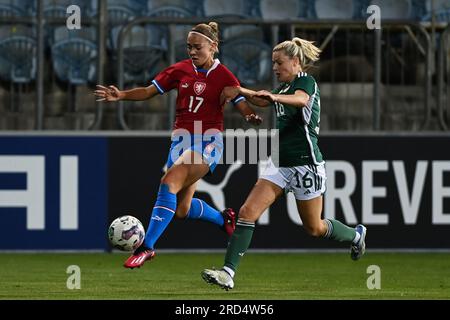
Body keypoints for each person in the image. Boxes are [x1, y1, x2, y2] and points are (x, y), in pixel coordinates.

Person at [201, 37, 367, 290]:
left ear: (296, 61)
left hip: (306, 165)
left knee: (315, 227)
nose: (275, 68)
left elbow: (300, 100)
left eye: (279, 63)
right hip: (279, 164)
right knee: (247, 212)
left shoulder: (305, 83)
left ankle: (356, 236)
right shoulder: (282, 90)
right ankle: (228, 272)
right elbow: (262, 99)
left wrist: (272, 97)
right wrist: (240, 91)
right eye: (273, 63)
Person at [94, 22, 262, 269]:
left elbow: (239, 101)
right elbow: (150, 91)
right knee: (182, 209)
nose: (192, 52)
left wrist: (249, 115)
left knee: (168, 183)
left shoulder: (225, 75)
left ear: (213, 46)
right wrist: (121, 95)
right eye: (189, 47)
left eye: (198, 47)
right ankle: (223, 218)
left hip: (208, 142)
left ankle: (147, 246)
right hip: (180, 143)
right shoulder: (180, 70)